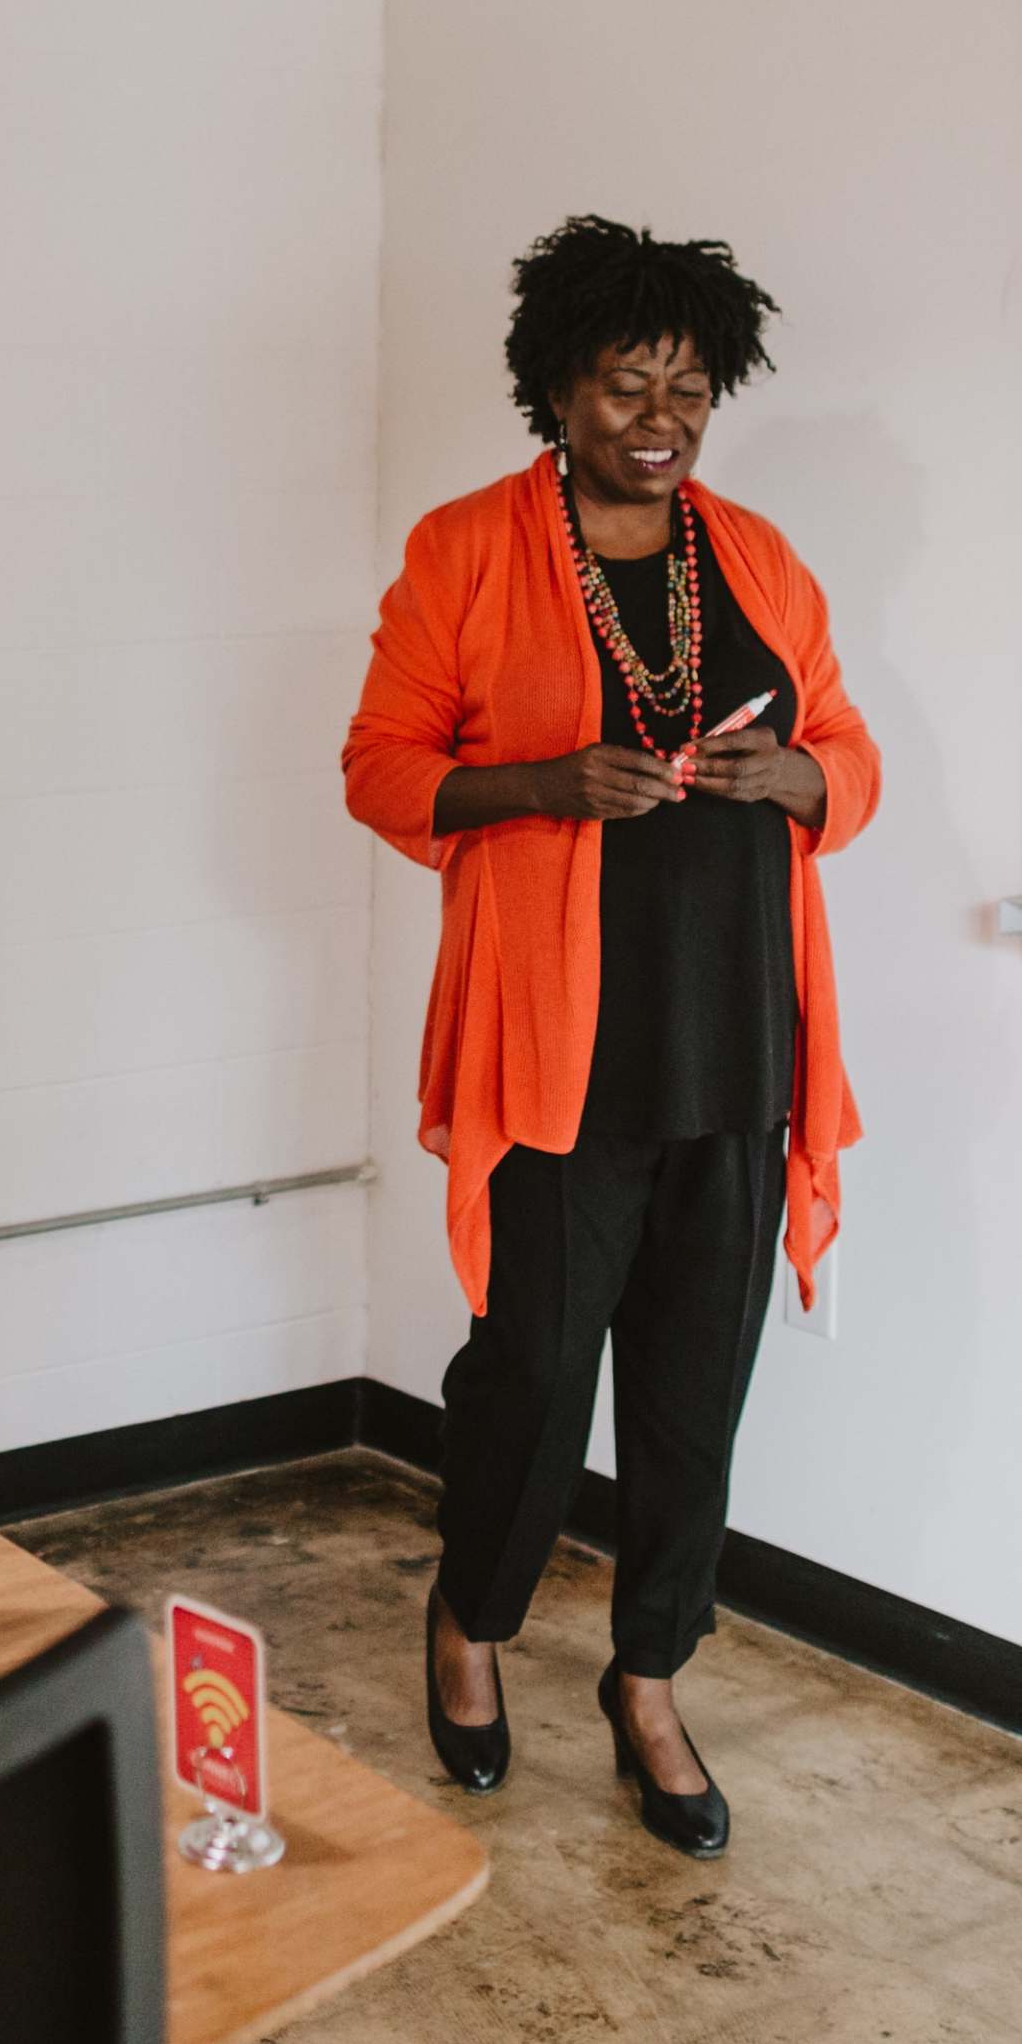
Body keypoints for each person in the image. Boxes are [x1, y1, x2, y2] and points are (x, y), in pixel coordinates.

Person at [342, 217, 879, 1857]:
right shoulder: (467, 550)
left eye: (689, 384)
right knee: (531, 1372)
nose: (660, 411)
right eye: (624, 378)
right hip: (555, 1049)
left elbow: (844, 760)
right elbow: (380, 766)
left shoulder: (764, 558)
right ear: (555, 388)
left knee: (692, 1395)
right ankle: (472, 1619)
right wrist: (545, 780)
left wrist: (791, 775)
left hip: (738, 1045)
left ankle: (649, 1675)